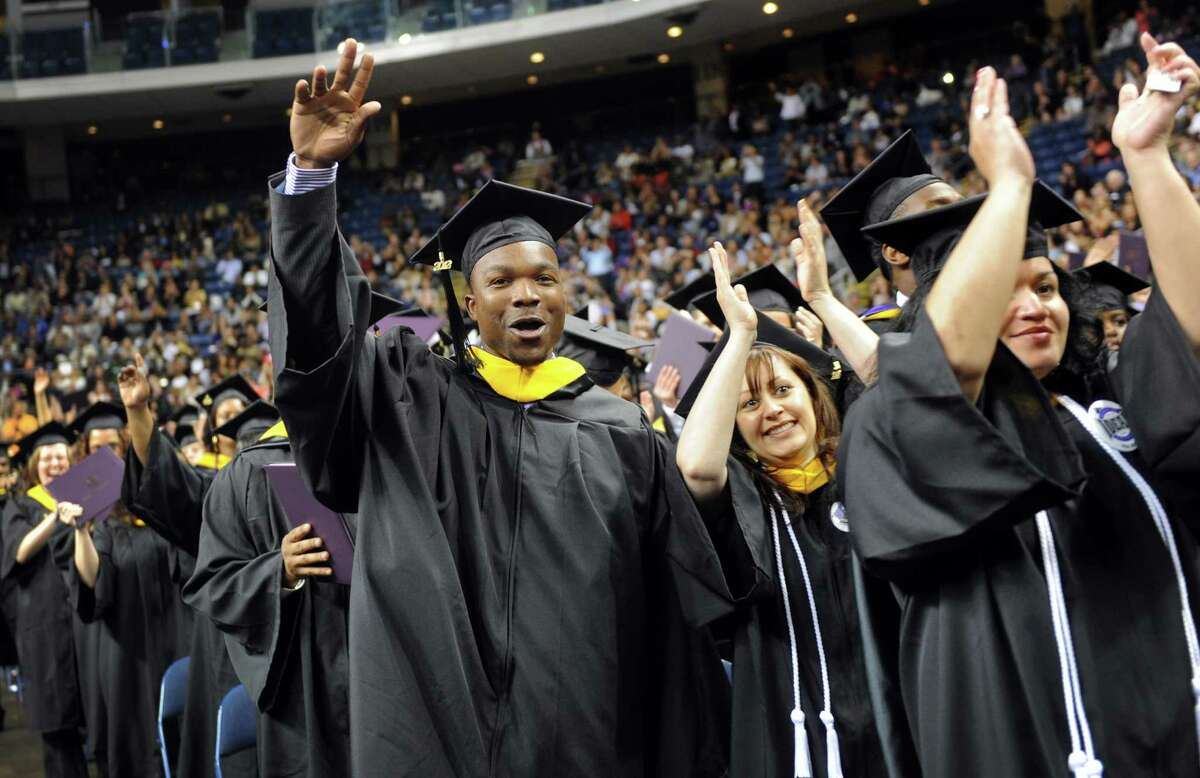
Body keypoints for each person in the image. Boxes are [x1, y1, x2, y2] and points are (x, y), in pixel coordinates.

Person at [269, 38, 748, 776]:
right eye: (501, 281)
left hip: (588, 733)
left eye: (545, 278)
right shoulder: (405, 399)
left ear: (567, 295)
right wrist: (311, 181)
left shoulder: (622, 434)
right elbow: (318, 337)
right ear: (467, 303)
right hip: (436, 728)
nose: (527, 293)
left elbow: (682, 616)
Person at [842, 50, 1200, 777]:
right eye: (1005, 287)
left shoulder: (1105, 410)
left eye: (1046, 285)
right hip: (1020, 741)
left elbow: (1192, 319)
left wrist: (1147, 156)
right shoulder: (886, 423)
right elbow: (948, 368)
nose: (1036, 307)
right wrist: (1007, 189)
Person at [674, 242, 889, 778]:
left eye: (781, 390)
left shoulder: (867, 474)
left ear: (813, 398)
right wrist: (742, 334)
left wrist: (820, 297)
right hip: (796, 727)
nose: (771, 410)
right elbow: (698, 466)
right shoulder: (745, 504)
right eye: (749, 404)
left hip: (896, 707)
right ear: (737, 429)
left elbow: (907, 390)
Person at [184, 400, 353, 778]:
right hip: (302, 693)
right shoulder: (244, 474)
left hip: (383, 680)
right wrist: (280, 569)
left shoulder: (383, 455)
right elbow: (213, 582)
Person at [118, 358, 258, 778]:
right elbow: (170, 484)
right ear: (215, 431)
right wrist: (139, 413)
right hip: (226, 651)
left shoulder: (300, 482)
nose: (238, 424)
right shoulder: (212, 490)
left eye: (244, 416)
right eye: (227, 418)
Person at [63, 405, 190, 778]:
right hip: (126, 651)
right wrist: (81, 532)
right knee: (133, 741)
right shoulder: (99, 519)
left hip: (175, 637)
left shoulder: (158, 502)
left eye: (113, 447)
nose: (106, 457)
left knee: (182, 735)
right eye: (96, 449)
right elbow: (91, 579)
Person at [0, 422, 88, 778]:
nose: (54, 463)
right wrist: (55, 516)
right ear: (35, 463)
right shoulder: (20, 504)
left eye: (61, 456)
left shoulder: (87, 496)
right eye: (47, 457)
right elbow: (19, 552)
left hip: (82, 619)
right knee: (58, 728)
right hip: (44, 624)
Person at [821, 131, 963, 329]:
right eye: (941, 210)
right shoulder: (873, 342)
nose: (965, 219)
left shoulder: (1008, 308)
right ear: (897, 252)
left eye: (963, 207)